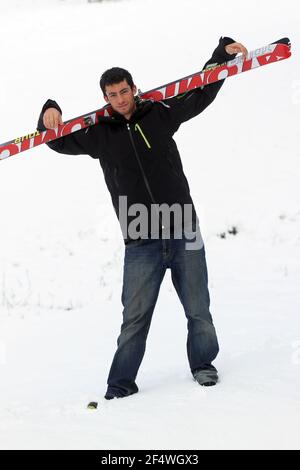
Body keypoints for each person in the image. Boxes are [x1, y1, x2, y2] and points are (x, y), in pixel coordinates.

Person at [38, 37, 248, 400]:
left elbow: (199, 92)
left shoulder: (160, 114)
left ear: (134, 89)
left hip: (184, 227)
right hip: (141, 238)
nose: (120, 99)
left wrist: (220, 54)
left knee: (199, 309)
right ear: (105, 98)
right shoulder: (99, 135)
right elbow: (55, 140)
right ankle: (120, 385)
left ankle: (203, 365)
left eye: (124, 91)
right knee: (133, 320)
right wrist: (48, 112)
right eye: (112, 94)